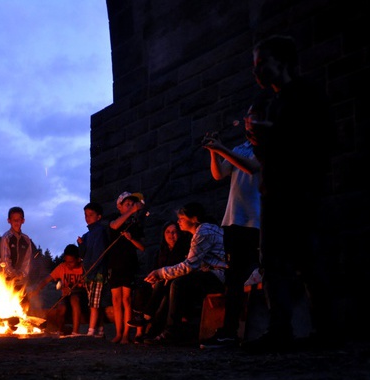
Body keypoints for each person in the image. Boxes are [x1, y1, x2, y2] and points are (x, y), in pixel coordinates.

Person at [240, 34, 338, 353]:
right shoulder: (272, 101)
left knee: (308, 260)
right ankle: (279, 329)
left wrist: (274, 135)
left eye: (262, 64)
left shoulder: (307, 94)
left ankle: (326, 330)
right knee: (272, 261)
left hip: (302, 189)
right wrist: (257, 139)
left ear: (281, 62)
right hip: (274, 191)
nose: (257, 72)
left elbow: (319, 141)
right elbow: (270, 154)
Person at [198, 104, 262, 349]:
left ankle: (230, 332)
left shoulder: (263, 147)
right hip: (233, 221)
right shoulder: (240, 148)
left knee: (238, 276)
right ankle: (228, 332)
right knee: (233, 277)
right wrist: (213, 152)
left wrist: (221, 148)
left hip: (254, 220)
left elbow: (251, 167)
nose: (249, 121)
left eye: (254, 117)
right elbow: (218, 174)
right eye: (248, 117)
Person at [144, 202, 227, 345]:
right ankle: (157, 328)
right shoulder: (204, 230)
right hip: (211, 273)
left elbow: (189, 266)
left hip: (219, 276)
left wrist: (161, 272)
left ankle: (170, 332)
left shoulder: (203, 232)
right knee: (172, 281)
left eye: (181, 218)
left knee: (178, 283)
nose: (178, 222)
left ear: (193, 218)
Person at [128, 220, 192, 343]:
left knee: (165, 296)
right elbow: (155, 269)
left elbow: (182, 269)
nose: (171, 235)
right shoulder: (161, 251)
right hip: (160, 284)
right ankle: (142, 325)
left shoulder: (184, 250)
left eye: (174, 232)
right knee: (142, 287)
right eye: (168, 232)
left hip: (174, 285)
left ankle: (150, 326)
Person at [107, 192, 146, 344]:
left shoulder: (135, 224)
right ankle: (118, 333)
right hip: (114, 264)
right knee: (116, 300)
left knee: (127, 299)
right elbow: (114, 226)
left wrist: (131, 239)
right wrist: (132, 210)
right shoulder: (114, 220)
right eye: (127, 204)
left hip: (129, 263)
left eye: (132, 204)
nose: (130, 207)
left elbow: (142, 247)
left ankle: (125, 334)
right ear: (120, 206)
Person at [28, 244, 87, 336]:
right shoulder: (62, 267)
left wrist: (74, 288)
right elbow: (47, 279)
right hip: (66, 296)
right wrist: (37, 289)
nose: (68, 264)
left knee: (74, 299)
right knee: (61, 308)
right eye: (66, 261)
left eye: (71, 262)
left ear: (78, 259)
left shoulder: (83, 268)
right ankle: (60, 331)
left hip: (81, 296)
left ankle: (75, 332)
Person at [77, 202, 109, 338]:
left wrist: (94, 270)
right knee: (95, 302)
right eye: (86, 215)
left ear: (99, 216)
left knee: (94, 303)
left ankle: (91, 330)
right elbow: (83, 255)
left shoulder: (100, 231)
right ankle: (100, 330)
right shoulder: (87, 235)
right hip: (89, 273)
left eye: (91, 215)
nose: (87, 217)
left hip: (97, 273)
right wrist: (81, 245)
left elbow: (99, 253)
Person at [0, 206, 34, 288]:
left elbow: (27, 260)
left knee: (22, 300)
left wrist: (21, 274)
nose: (16, 221)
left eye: (19, 219)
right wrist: (12, 274)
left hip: (20, 280)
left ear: (23, 221)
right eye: (14, 219)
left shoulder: (26, 240)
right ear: (9, 221)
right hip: (5, 279)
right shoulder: (6, 238)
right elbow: (5, 259)